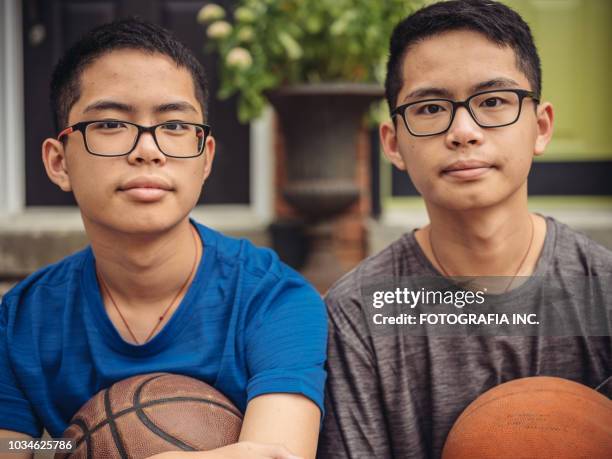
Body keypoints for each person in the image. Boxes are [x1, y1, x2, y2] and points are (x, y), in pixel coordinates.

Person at [0, 18, 326, 459]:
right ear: (59, 162)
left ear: (205, 158)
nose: (148, 150)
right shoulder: (21, 318)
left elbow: (277, 453)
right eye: (112, 124)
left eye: (174, 126)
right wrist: (63, 447)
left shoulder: (273, 299)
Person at [317, 0, 611, 458]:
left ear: (541, 126)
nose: (464, 130)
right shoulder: (360, 314)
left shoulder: (603, 292)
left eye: (493, 101)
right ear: (393, 143)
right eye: (431, 108)